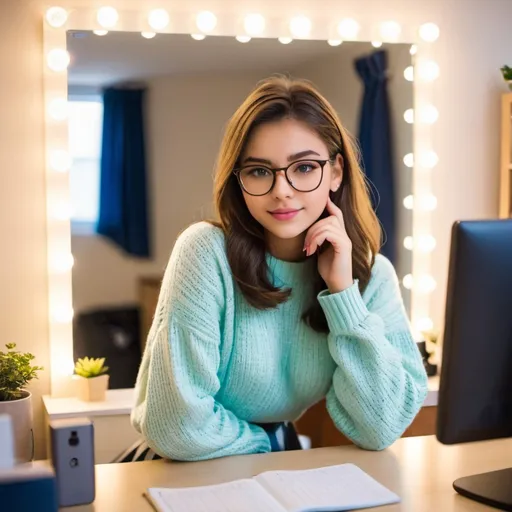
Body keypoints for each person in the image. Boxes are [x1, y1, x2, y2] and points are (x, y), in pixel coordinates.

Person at [130, 75, 428, 462]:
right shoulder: (205, 253)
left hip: (274, 465)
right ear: (238, 180)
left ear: (336, 171)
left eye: (303, 167)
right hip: (189, 467)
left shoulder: (372, 274)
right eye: (258, 171)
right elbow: (175, 426)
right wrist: (266, 443)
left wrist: (343, 294)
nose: (281, 190)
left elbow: (382, 425)